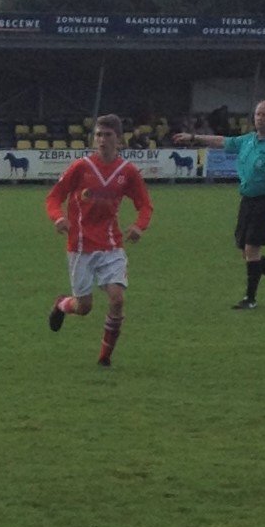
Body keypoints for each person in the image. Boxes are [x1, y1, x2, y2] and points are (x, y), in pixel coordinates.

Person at [46, 114, 154, 367]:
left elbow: (145, 205)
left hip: (111, 245)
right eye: (98, 135)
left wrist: (140, 226)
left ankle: (105, 357)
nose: (102, 140)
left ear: (119, 139)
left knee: (117, 299)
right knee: (84, 307)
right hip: (80, 246)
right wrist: (58, 218)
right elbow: (53, 198)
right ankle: (62, 304)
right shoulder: (81, 167)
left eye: (107, 135)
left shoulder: (127, 172)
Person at [175, 100, 265, 310]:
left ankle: (250, 298)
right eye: (257, 114)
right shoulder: (248, 140)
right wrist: (194, 138)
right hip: (247, 201)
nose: (259, 118)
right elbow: (223, 141)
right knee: (247, 252)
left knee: (251, 248)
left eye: (264, 115)